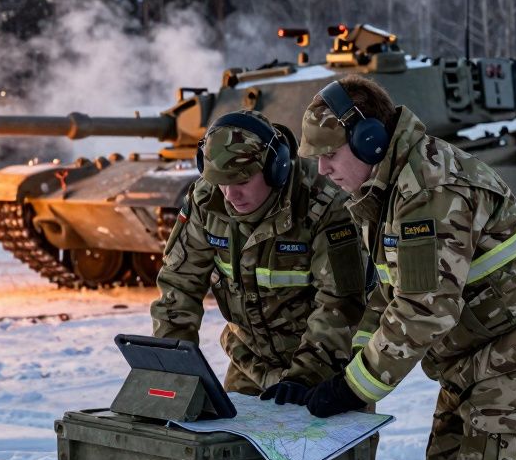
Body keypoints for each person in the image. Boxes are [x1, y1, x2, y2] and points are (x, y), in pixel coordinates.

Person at [294, 75, 516, 460]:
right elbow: (388, 292)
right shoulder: (385, 190)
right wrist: (346, 369)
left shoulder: (430, 189)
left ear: (370, 141)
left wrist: (352, 387)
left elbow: (423, 310)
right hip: (469, 360)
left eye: (330, 154)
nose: (322, 169)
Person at [150, 109, 368, 402]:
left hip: (328, 370)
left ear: (274, 169)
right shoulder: (207, 201)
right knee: (228, 447)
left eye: (241, 181)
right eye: (221, 182)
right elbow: (179, 286)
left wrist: (305, 376)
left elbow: (340, 303)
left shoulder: (325, 206)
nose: (229, 195)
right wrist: (173, 369)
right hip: (250, 364)